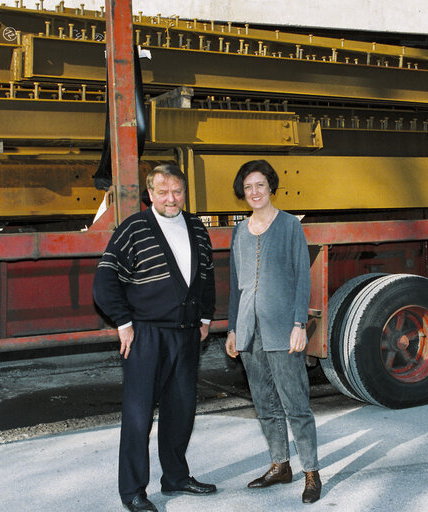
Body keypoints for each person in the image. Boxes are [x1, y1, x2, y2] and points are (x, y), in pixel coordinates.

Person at [93, 164, 216, 512]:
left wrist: (205, 317)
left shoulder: (195, 226)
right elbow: (105, 280)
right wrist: (123, 323)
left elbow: (206, 275)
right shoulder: (134, 228)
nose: (171, 198)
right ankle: (133, 491)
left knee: (181, 411)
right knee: (138, 415)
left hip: (187, 334)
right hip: (145, 335)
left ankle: (176, 477)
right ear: (150, 194)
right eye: (163, 192)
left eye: (177, 191)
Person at [225, 159, 322, 504]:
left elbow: (301, 278)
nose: (254, 192)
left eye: (260, 185)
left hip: (284, 328)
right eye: (248, 187)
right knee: (264, 402)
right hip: (250, 330)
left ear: (271, 188)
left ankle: (311, 471)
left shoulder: (290, 226)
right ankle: (280, 465)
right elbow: (236, 286)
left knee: (295, 403)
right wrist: (233, 330)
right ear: (243, 192)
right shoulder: (238, 231)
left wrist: (299, 325)